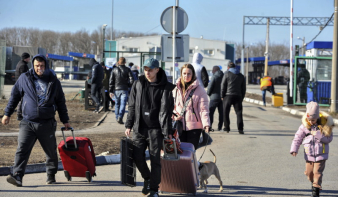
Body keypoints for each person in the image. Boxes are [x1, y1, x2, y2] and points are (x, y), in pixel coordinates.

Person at [2, 54, 71, 186]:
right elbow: (14, 96)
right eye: (37, 66)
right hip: (28, 122)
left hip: (47, 123)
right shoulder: (25, 78)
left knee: (50, 151)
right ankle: (17, 176)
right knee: (22, 149)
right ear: (33, 66)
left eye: (42, 66)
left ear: (46, 66)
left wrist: (65, 120)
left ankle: (51, 175)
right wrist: (7, 113)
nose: (39, 68)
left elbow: (61, 102)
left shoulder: (53, 81)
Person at [125, 58, 175, 197]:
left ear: (157, 69)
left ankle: (154, 189)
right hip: (139, 128)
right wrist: (129, 124)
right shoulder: (138, 84)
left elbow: (167, 112)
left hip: (156, 130)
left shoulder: (166, 87)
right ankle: (147, 178)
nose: (147, 72)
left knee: (155, 160)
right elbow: (132, 106)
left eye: (150, 70)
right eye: (146, 69)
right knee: (137, 157)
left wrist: (168, 131)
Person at [290, 102, 333, 197]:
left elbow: (329, 139)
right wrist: (294, 149)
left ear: (317, 117)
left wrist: (319, 136)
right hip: (309, 155)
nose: (311, 122)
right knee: (309, 174)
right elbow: (297, 138)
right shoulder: (304, 126)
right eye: (309, 119)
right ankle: (314, 183)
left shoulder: (325, 125)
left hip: (321, 154)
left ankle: (316, 190)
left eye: (313, 120)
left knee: (317, 172)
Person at [173, 63, 210, 150]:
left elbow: (203, 109)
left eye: (189, 73)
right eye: (184, 73)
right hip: (179, 126)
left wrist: (206, 124)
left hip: (194, 128)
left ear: (193, 74)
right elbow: (172, 106)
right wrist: (175, 116)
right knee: (180, 152)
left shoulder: (200, 90)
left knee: (190, 152)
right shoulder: (176, 89)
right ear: (181, 74)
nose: (186, 76)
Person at [221, 62, 246, 134]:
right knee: (239, 113)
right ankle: (240, 129)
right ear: (235, 67)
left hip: (228, 96)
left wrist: (222, 96)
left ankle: (226, 128)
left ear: (228, 67)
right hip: (238, 96)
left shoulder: (226, 74)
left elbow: (223, 86)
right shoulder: (241, 76)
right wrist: (242, 97)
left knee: (226, 112)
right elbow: (243, 88)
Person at [109, 57, 134, 124]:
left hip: (116, 89)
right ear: (125, 62)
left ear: (118, 62)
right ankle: (120, 117)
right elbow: (132, 80)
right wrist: (128, 85)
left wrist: (111, 91)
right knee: (123, 104)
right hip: (124, 89)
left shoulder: (114, 70)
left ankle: (117, 117)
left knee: (117, 104)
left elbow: (111, 81)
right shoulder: (128, 70)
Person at [207, 66, 224, 131]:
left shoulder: (214, 76)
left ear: (215, 70)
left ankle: (210, 126)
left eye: (213, 70)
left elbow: (210, 86)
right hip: (222, 97)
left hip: (214, 97)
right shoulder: (224, 76)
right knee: (221, 113)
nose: (212, 71)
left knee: (211, 112)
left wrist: (208, 93)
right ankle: (220, 127)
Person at [15, 52, 31, 121]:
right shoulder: (23, 66)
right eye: (29, 58)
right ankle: (19, 114)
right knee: (22, 100)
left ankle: (20, 114)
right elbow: (25, 77)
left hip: (19, 84)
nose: (29, 59)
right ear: (26, 58)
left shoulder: (20, 63)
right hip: (22, 85)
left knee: (21, 99)